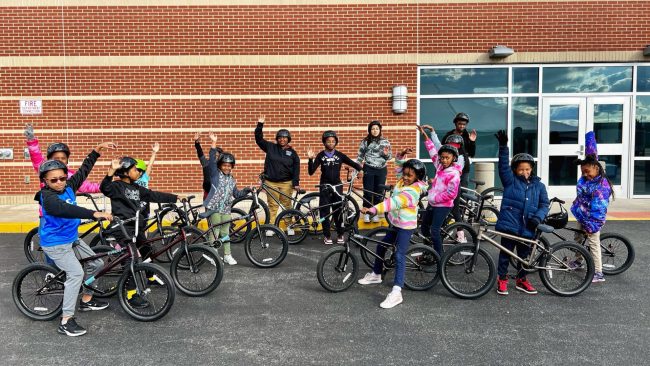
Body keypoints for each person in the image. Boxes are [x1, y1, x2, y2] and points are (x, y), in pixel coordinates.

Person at [37, 142, 115, 336]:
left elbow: (82, 172)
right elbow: (67, 210)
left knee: (97, 263)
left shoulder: (69, 186)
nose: (60, 182)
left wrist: (95, 151)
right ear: (45, 181)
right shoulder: (47, 198)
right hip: (55, 243)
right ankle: (66, 321)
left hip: (71, 239)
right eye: (53, 180)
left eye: (62, 178)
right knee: (76, 274)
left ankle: (87, 299)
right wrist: (93, 213)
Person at [100, 156, 184, 306]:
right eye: (135, 170)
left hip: (134, 228)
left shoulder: (137, 188)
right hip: (122, 229)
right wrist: (111, 171)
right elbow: (104, 188)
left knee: (147, 248)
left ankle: (149, 275)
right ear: (125, 172)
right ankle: (131, 295)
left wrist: (175, 197)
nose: (139, 172)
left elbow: (153, 195)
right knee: (131, 259)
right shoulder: (117, 186)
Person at [357, 158, 428, 309]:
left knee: (399, 255)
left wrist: (373, 209)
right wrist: (401, 157)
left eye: (410, 175)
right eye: (405, 174)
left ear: (417, 177)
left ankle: (397, 292)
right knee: (381, 247)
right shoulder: (402, 182)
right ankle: (376, 274)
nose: (406, 177)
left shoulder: (412, 191)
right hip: (396, 223)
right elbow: (398, 168)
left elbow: (392, 203)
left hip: (405, 227)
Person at [493, 130, 549, 296]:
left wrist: (538, 217)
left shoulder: (539, 186)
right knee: (505, 255)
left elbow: (545, 204)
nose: (524, 172)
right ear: (515, 170)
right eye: (521, 169)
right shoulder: (510, 182)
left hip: (528, 227)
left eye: (527, 169)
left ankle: (521, 279)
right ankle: (502, 279)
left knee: (524, 256)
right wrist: (503, 147)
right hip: (510, 225)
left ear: (532, 169)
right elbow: (503, 166)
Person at [202, 132, 250, 265]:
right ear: (220, 166)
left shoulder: (232, 180)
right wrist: (213, 143)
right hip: (214, 208)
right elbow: (211, 160)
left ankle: (227, 255)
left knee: (225, 232)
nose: (227, 167)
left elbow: (237, 194)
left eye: (229, 166)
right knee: (215, 231)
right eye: (224, 165)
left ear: (232, 166)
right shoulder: (215, 174)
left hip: (226, 209)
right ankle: (214, 255)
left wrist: (247, 190)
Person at [571, 131, 613, 283]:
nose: (585, 175)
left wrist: (591, 225)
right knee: (578, 238)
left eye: (587, 172)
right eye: (583, 172)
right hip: (583, 215)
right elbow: (591, 153)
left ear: (596, 168)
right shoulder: (587, 179)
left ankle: (598, 272)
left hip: (593, 220)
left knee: (593, 244)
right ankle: (578, 260)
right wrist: (589, 137)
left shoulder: (601, 186)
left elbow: (598, 210)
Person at [307, 130, 363, 245]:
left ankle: (340, 234)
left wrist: (360, 169)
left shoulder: (339, 155)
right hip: (325, 186)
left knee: (338, 210)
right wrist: (310, 159)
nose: (331, 143)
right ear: (324, 142)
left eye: (333, 141)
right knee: (325, 211)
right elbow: (311, 172)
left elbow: (352, 163)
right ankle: (327, 236)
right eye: (328, 141)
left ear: (336, 142)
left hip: (337, 186)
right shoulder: (321, 155)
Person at [418, 125, 464, 255]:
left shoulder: (454, 174)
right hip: (432, 204)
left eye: (447, 158)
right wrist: (424, 134)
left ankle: (439, 256)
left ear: (453, 159)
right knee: (424, 227)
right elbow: (432, 149)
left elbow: (451, 194)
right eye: (442, 157)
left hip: (443, 205)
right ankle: (428, 251)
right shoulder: (439, 165)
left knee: (435, 229)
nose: (443, 160)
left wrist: (434, 198)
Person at [254, 115, 301, 233]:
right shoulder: (270, 147)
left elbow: (296, 168)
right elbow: (259, 139)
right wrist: (260, 125)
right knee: (273, 205)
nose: (282, 139)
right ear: (277, 139)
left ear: (288, 139)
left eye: (285, 138)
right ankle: (271, 228)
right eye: (280, 137)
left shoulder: (292, 152)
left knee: (287, 205)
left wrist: (296, 183)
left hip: (286, 183)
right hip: (271, 182)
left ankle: (289, 226)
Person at [442, 113, 476, 241]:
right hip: (450, 170)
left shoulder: (468, 136)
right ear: (455, 123)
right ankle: (451, 222)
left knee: (460, 198)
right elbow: (442, 150)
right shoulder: (449, 135)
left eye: (464, 124)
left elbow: (472, 153)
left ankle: (458, 226)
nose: (462, 126)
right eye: (460, 124)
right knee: (449, 198)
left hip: (463, 170)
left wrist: (472, 142)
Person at [356, 120, 393, 223]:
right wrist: (357, 170)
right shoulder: (365, 141)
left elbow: (390, 157)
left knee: (378, 193)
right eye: (373, 129)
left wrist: (386, 154)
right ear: (369, 130)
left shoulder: (385, 141)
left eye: (377, 128)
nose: (375, 130)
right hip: (368, 168)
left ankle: (375, 213)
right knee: (367, 192)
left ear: (380, 129)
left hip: (381, 170)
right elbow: (359, 157)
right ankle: (367, 213)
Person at [195, 132, 224, 200]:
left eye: (217, 156)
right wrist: (197, 143)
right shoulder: (206, 163)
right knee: (208, 211)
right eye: (214, 155)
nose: (215, 157)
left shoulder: (223, 167)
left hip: (219, 195)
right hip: (208, 194)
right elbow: (200, 154)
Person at [134, 142, 160, 218]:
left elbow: (150, 165)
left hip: (145, 201)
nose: (137, 172)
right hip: (135, 201)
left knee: (145, 219)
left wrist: (154, 152)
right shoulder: (131, 179)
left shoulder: (144, 177)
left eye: (138, 170)